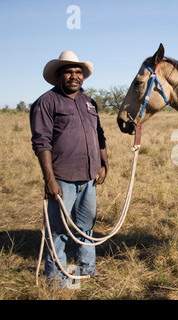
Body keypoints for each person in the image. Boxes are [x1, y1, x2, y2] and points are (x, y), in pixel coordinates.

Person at [30, 50, 108, 287]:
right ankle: (58, 280)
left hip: (89, 177)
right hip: (62, 178)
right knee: (58, 231)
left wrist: (104, 163)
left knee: (86, 227)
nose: (74, 76)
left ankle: (86, 271)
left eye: (78, 72)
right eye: (69, 72)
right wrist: (49, 179)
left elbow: (99, 135)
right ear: (58, 75)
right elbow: (41, 142)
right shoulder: (46, 102)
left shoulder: (89, 102)